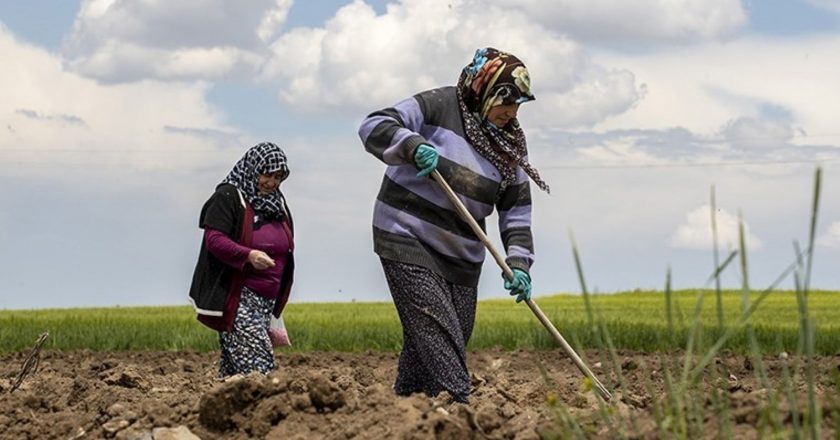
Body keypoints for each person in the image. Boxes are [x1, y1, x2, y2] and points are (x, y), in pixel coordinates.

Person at [357, 47, 550, 403]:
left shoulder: (509, 146)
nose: (512, 112)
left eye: (518, 104)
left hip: (462, 254)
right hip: (407, 235)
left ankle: (405, 407)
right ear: (484, 89)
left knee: (444, 336)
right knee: (437, 329)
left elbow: (517, 212)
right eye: (505, 101)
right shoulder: (440, 105)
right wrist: (411, 145)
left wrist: (519, 264)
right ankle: (460, 408)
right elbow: (373, 125)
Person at [188, 142, 295, 377]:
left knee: (234, 372)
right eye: (267, 174)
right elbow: (214, 239)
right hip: (238, 298)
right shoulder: (228, 196)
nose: (272, 182)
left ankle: (223, 411)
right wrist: (248, 255)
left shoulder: (277, 203)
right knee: (259, 367)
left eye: (278, 176)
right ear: (253, 169)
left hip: (266, 302)